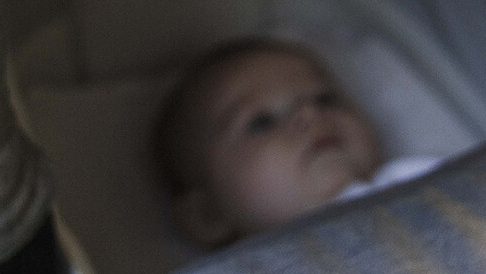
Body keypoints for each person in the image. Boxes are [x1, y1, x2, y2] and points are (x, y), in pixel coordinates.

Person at [151, 37, 438, 247]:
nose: (310, 115)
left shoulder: (414, 180)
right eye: (262, 122)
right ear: (209, 214)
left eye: (325, 100)